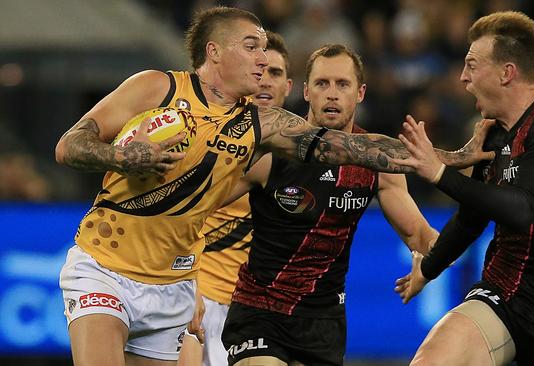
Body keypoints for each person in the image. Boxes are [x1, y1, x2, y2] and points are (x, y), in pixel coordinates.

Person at [54, 6, 488, 366]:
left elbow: (353, 148)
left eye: (265, 49)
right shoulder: (156, 87)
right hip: (106, 265)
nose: (262, 58)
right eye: (252, 47)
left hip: (172, 287)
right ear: (215, 52)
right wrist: (122, 157)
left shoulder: (261, 125)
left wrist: (447, 159)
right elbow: (68, 145)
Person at [394, 11, 534, 366]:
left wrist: (439, 173)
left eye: (472, 65)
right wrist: (428, 269)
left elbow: (522, 209)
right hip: (502, 292)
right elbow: (471, 219)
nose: (463, 78)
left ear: (507, 72)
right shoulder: (494, 134)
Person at [219, 43, 440, 366]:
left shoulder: (374, 162)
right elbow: (198, 205)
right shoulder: (273, 150)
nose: (332, 94)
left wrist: (428, 259)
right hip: (260, 311)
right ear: (306, 91)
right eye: (322, 84)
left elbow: (420, 234)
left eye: (342, 84)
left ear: (360, 93)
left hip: (323, 321)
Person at [177, 30, 294, 366]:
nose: (266, 80)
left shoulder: (301, 158)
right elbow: (175, 213)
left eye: (276, 73)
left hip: (261, 312)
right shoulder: (208, 137)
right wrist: (186, 282)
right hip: (202, 297)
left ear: (288, 86)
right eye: (260, 70)